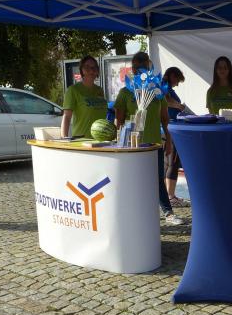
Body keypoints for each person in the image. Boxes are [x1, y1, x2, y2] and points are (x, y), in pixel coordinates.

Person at [114, 52, 184, 226]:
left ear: (149, 68)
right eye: (136, 67)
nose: (140, 69)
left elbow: (165, 119)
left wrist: (168, 141)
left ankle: (168, 213)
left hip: (153, 143)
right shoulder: (125, 92)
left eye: (143, 66)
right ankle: (133, 215)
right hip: (132, 146)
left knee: (157, 179)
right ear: (132, 69)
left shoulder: (157, 91)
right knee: (133, 180)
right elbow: (118, 121)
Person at [61, 55, 107, 139]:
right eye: (87, 67)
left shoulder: (99, 90)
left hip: (100, 139)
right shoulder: (73, 90)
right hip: (82, 140)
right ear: (81, 70)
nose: (91, 70)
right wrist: (64, 138)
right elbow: (67, 116)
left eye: (94, 67)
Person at [163, 67, 189, 208]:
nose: (177, 84)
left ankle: (169, 195)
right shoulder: (164, 87)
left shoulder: (167, 87)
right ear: (172, 76)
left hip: (170, 127)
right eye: (177, 80)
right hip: (170, 128)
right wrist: (179, 106)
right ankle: (170, 196)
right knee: (173, 161)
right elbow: (165, 101)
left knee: (170, 162)